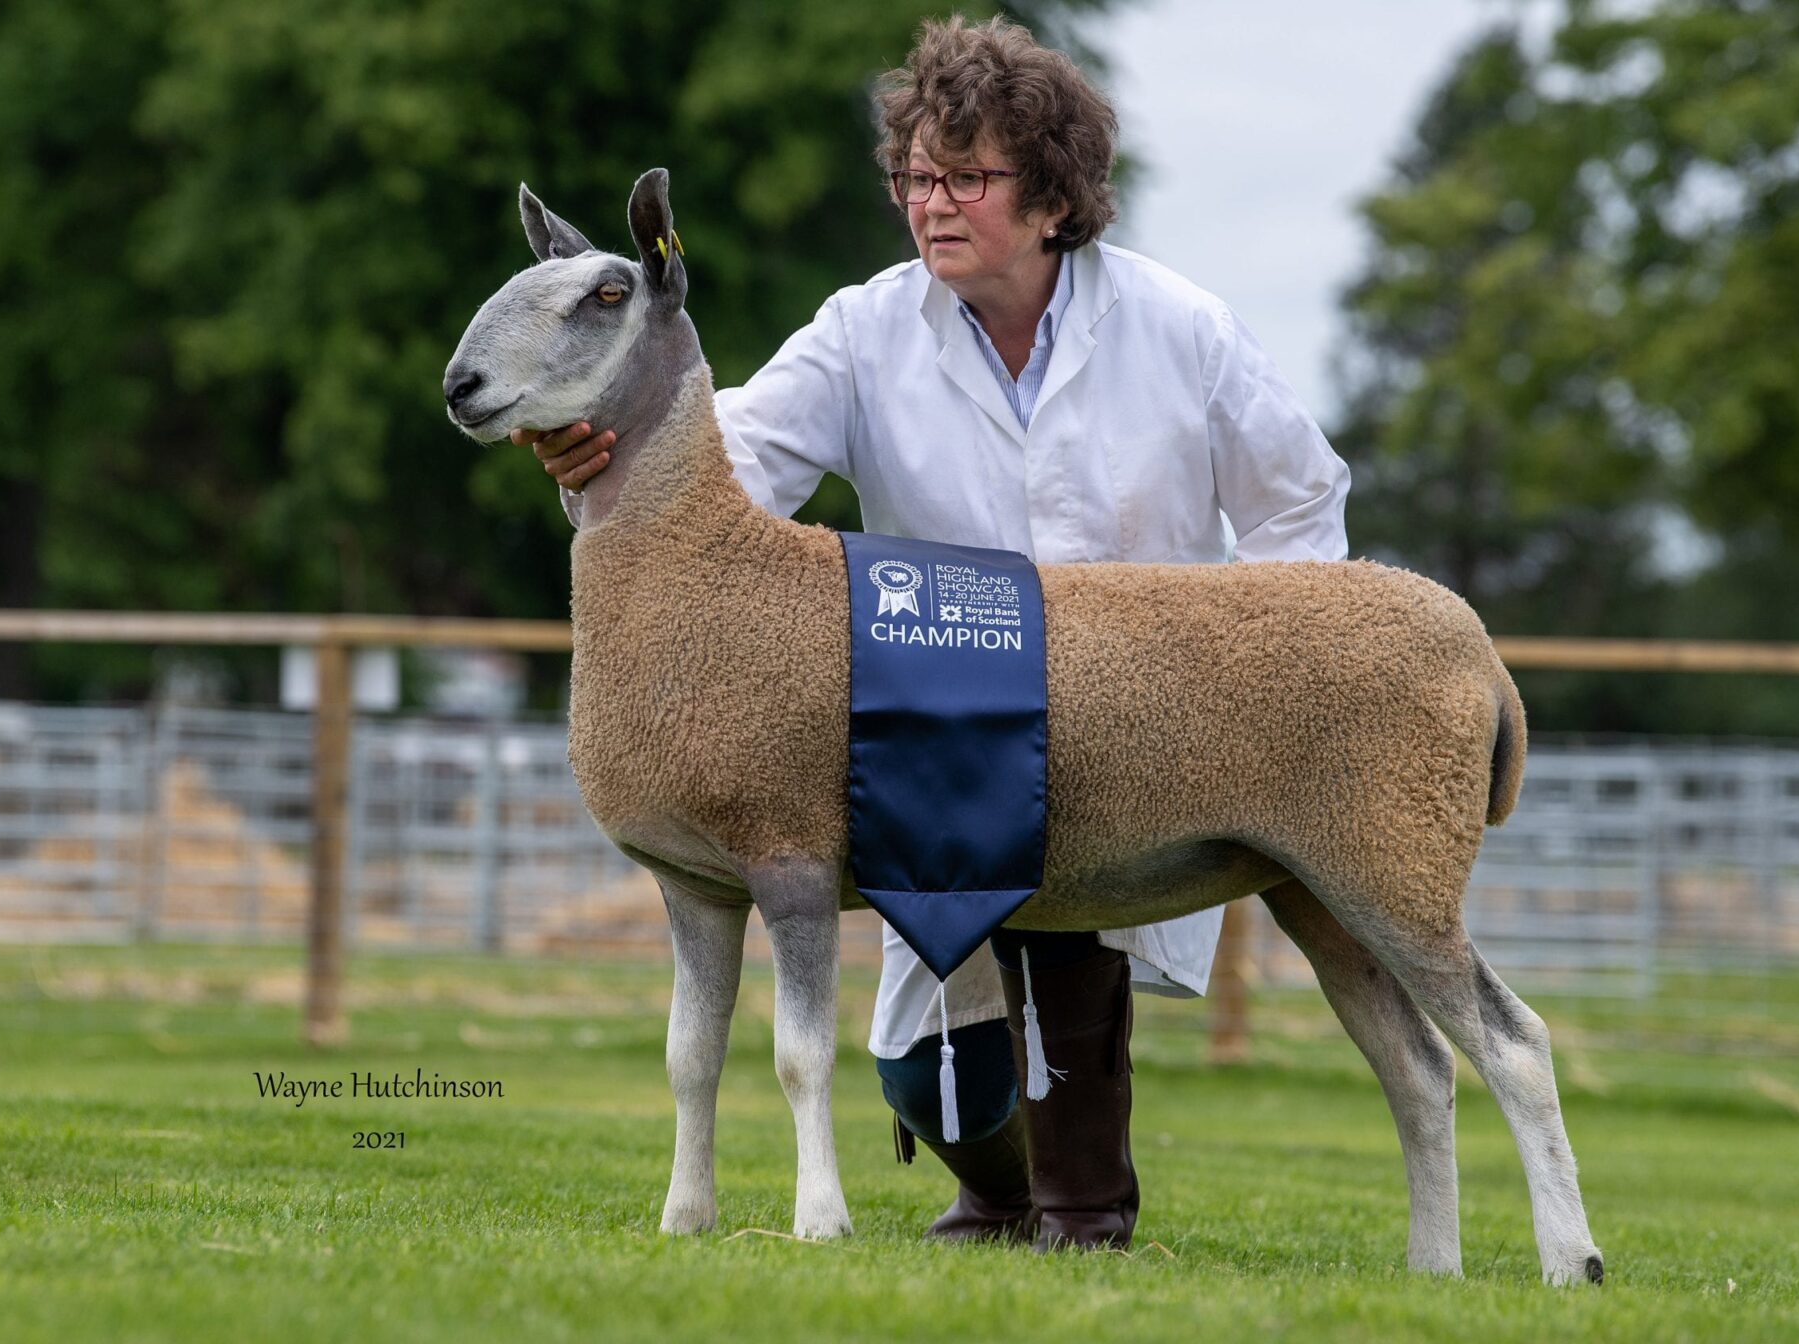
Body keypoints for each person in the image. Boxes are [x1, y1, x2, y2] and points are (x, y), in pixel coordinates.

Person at [518, 15, 1348, 1251]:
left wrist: (1258, 694)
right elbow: (731, 467)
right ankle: (1003, 1191)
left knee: (1070, 952)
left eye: (967, 177)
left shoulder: (1183, 330)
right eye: (916, 175)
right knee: (918, 1066)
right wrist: (605, 456)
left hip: (1132, 722)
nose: (931, 202)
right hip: (938, 727)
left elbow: (1298, 505)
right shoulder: (863, 331)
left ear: (1054, 195)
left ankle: (1079, 1208)